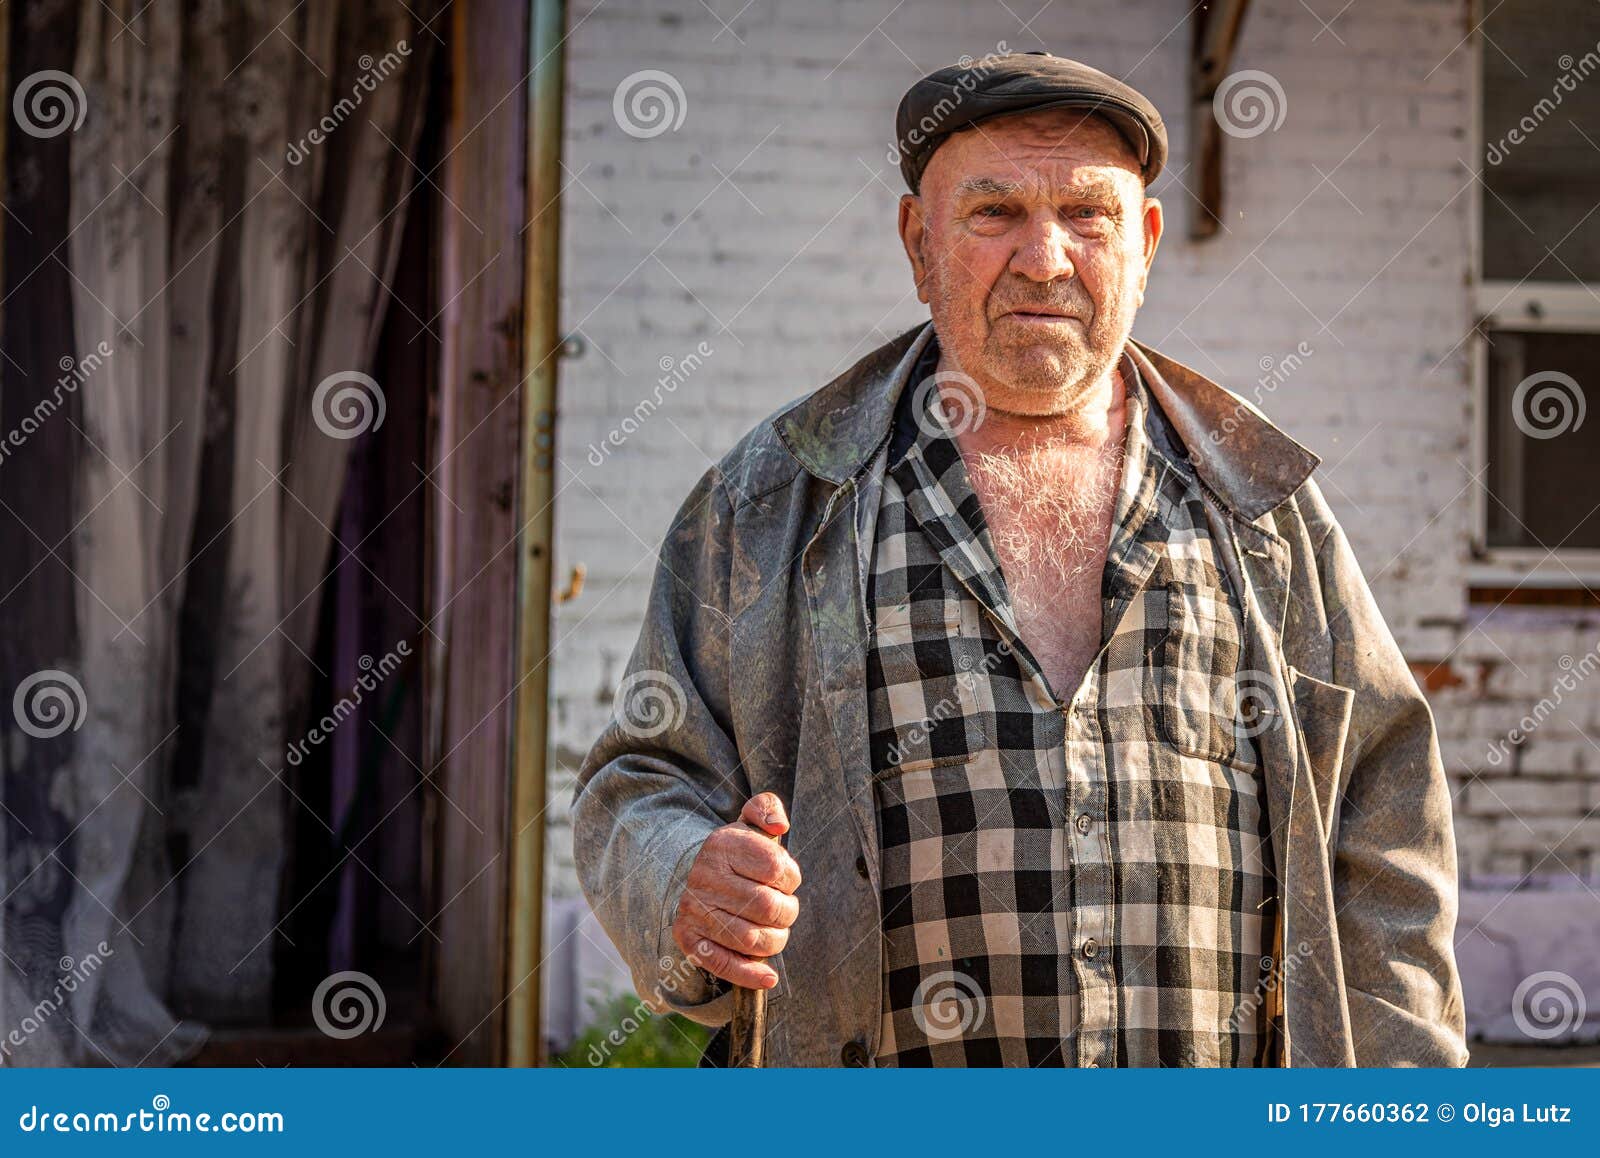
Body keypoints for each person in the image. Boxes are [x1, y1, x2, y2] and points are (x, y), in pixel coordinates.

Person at [572, 51, 1466, 1068]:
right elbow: (642, 778)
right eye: (993, 212)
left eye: (1088, 215)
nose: (1044, 258)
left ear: (1145, 244)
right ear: (918, 241)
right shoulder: (775, 500)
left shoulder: (1259, 501)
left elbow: (1383, 822)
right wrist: (682, 874)